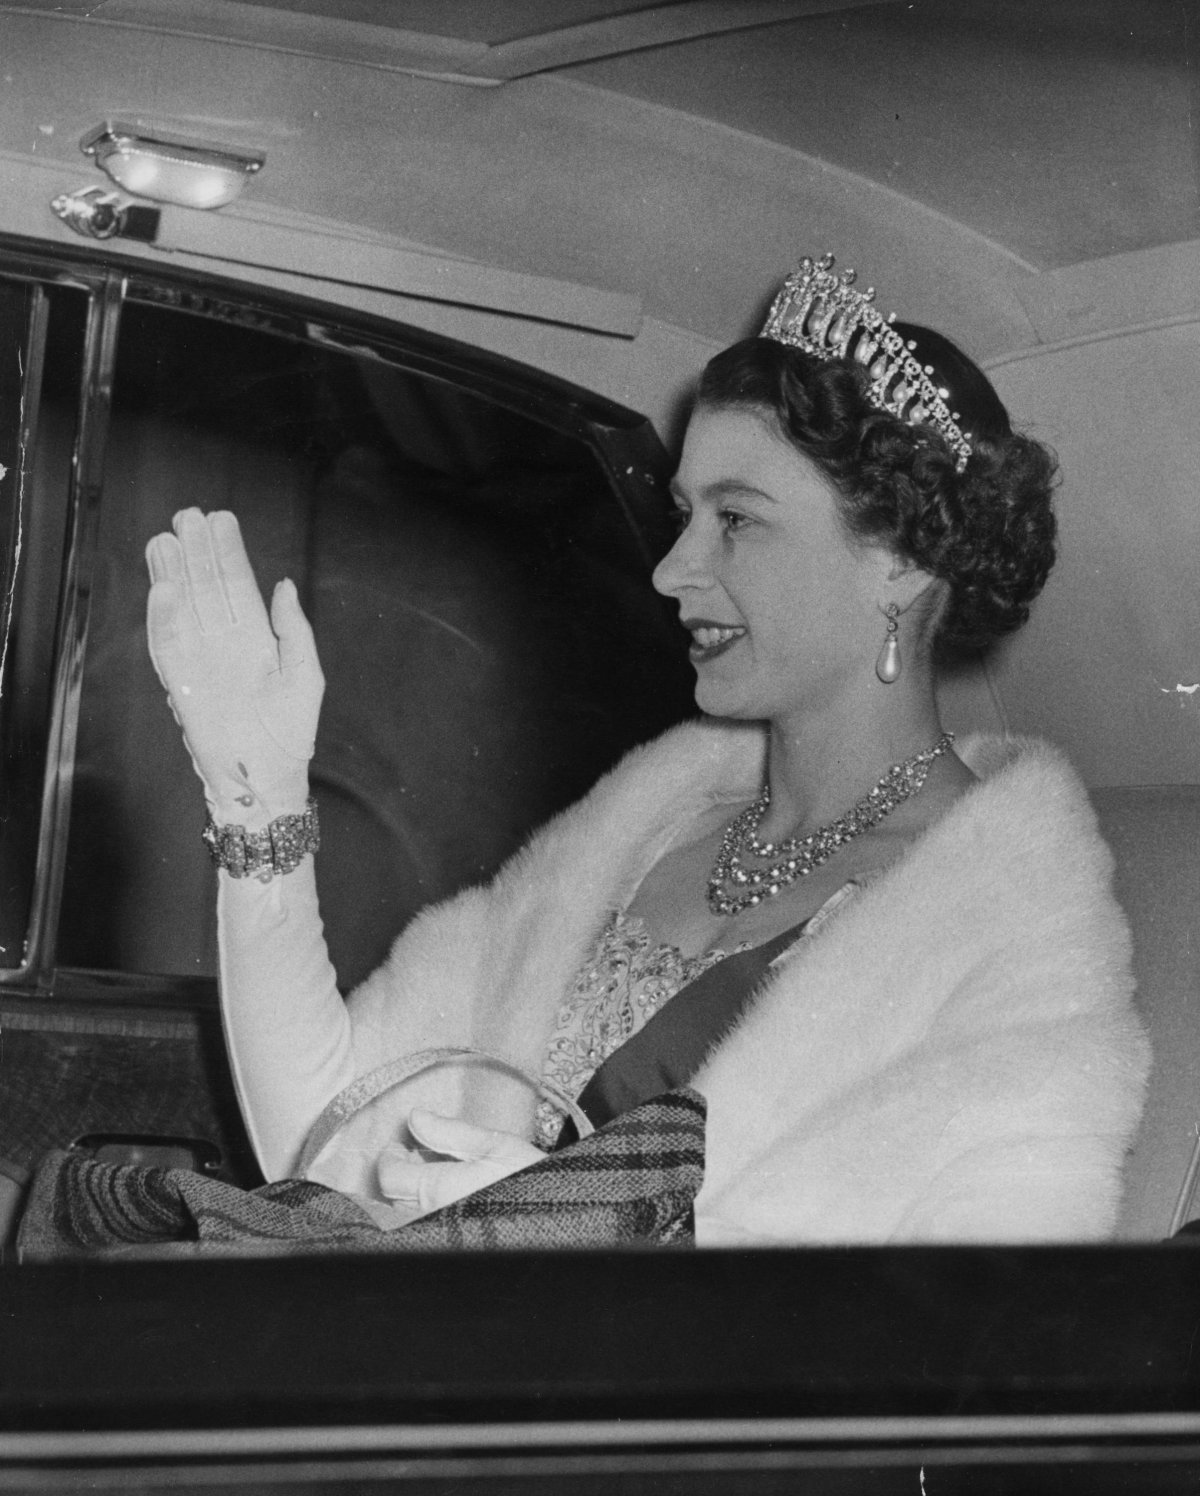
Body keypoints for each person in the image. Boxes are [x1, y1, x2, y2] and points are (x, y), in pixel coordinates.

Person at [145, 253, 1149, 1245]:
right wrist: (256, 792)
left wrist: (604, 1247)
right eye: (683, 517)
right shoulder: (635, 835)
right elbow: (323, 1148)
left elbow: (989, 1318)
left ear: (899, 561)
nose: (673, 569)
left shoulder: (1017, 930)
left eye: (737, 520)